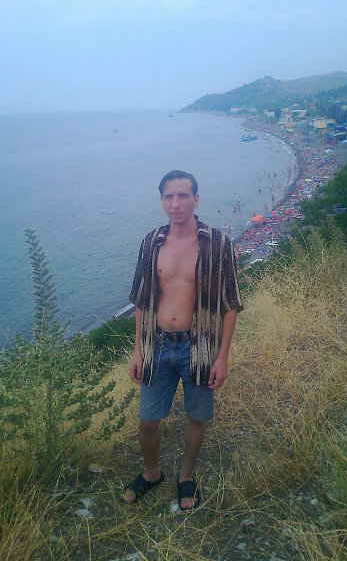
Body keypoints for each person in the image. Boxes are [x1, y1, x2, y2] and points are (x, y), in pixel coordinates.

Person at [124, 170, 243, 510]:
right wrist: (137, 350)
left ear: (196, 199)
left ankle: (186, 476)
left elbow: (230, 305)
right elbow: (142, 301)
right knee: (148, 419)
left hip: (200, 345)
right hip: (157, 344)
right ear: (162, 201)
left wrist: (222, 358)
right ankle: (151, 473)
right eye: (169, 196)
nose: (175, 203)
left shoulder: (218, 244)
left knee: (197, 416)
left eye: (183, 195)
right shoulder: (151, 243)